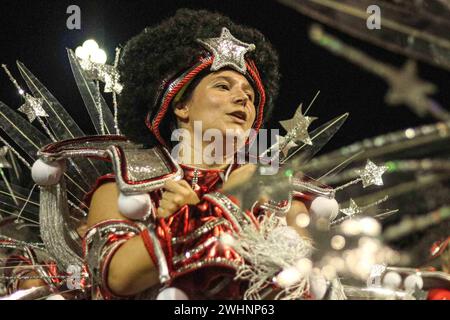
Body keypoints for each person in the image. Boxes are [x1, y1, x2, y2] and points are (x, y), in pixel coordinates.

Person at [83, 8, 310, 299]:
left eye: (250, 95)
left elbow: (306, 287)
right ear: (180, 106)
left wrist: (190, 217)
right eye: (223, 86)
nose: (242, 98)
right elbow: (116, 276)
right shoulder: (126, 184)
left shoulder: (282, 194)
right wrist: (226, 203)